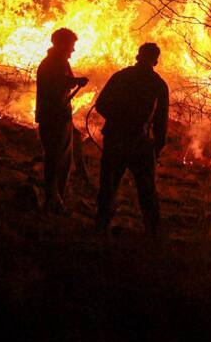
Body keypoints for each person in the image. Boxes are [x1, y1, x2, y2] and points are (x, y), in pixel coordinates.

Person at [93, 42, 169, 237]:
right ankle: (153, 234)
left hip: (116, 138)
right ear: (155, 61)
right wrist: (157, 148)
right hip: (141, 143)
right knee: (147, 190)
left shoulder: (121, 76)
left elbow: (101, 104)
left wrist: (117, 119)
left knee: (108, 185)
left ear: (138, 56)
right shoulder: (158, 84)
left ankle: (101, 227)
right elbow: (161, 122)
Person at [35, 27, 89, 214]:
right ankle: (53, 201)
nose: (73, 49)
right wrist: (76, 81)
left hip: (58, 116)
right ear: (63, 44)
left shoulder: (57, 62)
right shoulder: (54, 63)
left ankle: (56, 199)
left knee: (61, 159)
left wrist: (74, 81)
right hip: (54, 117)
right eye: (71, 45)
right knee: (56, 159)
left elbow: (61, 82)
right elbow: (58, 83)